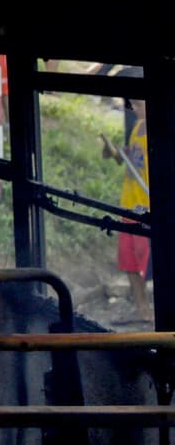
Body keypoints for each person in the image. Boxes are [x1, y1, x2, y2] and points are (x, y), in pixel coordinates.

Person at [103, 93, 152, 323]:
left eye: (139, 103)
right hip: (128, 205)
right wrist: (112, 152)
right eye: (134, 104)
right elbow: (127, 159)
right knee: (130, 262)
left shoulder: (159, 132)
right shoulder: (138, 126)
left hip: (147, 208)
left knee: (149, 261)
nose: (134, 107)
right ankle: (142, 309)